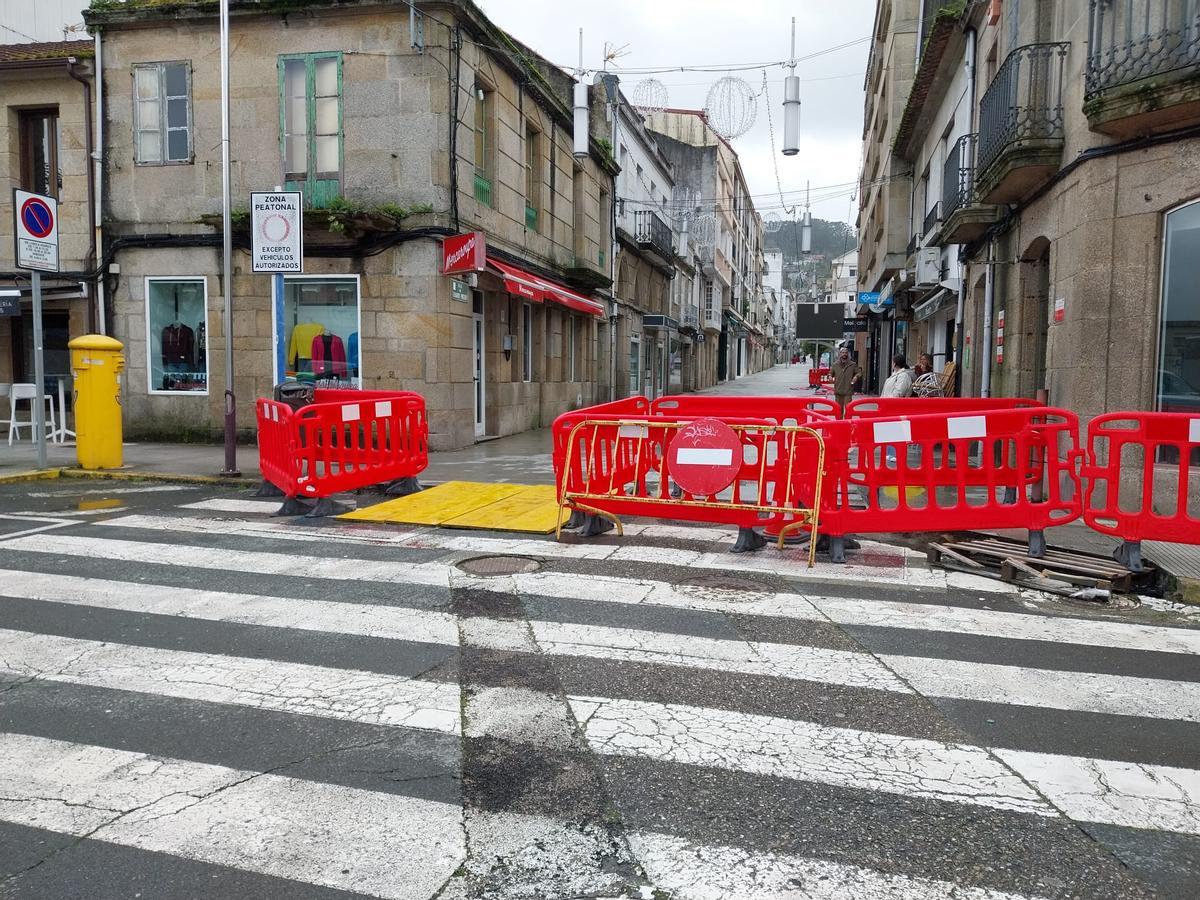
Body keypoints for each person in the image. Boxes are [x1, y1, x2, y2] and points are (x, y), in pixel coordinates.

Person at [831, 346, 863, 414]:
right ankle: (839, 423)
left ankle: (847, 423)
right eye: (843, 353)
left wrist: (856, 377)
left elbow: (859, 373)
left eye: (846, 353)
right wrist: (830, 376)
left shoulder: (852, 364)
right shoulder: (835, 365)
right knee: (839, 410)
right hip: (838, 391)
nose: (844, 354)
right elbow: (830, 373)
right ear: (840, 354)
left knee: (848, 409)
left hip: (848, 391)